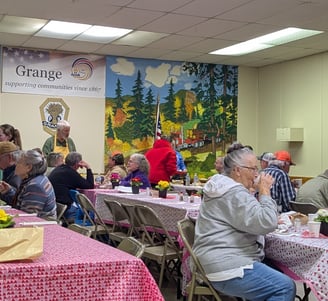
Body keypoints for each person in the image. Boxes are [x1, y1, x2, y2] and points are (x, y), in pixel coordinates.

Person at [193, 142, 296, 301]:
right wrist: (265, 191)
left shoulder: (223, 187)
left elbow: (251, 217)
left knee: (278, 271)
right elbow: (267, 223)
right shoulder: (233, 192)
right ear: (237, 170)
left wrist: (252, 192)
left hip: (212, 260)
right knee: (284, 287)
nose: (257, 174)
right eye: (253, 169)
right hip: (226, 265)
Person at [0, 150, 56, 219]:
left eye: (19, 163)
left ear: (29, 167)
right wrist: (9, 191)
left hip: (41, 226)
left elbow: (27, 216)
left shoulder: (35, 186)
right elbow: (21, 203)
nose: (15, 165)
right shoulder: (34, 179)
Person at [48, 151, 94, 222]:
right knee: (91, 214)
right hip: (65, 208)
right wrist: (88, 168)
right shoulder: (70, 173)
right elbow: (89, 185)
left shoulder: (60, 168)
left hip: (56, 205)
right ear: (76, 164)